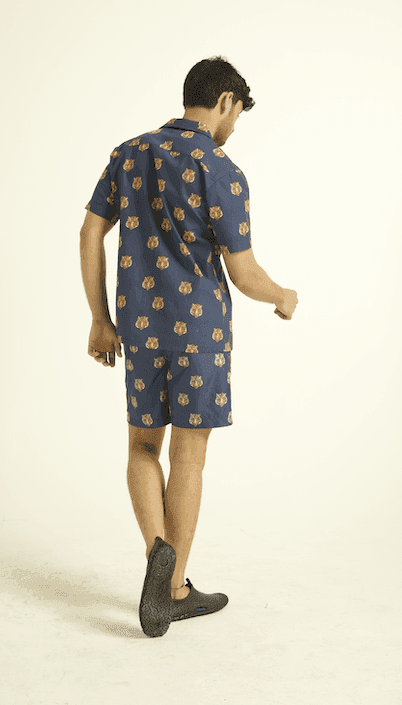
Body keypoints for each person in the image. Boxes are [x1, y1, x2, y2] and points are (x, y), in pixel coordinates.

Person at [79, 55, 298, 636]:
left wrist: (99, 318)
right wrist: (282, 295)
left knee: (142, 447)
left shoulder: (128, 154)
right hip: (200, 335)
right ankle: (173, 587)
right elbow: (244, 274)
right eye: (237, 114)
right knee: (189, 458)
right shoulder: (221, 169)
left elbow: (90, 231)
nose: (234, 127)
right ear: (225, 101)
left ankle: (158, 555)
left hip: (138, 328)